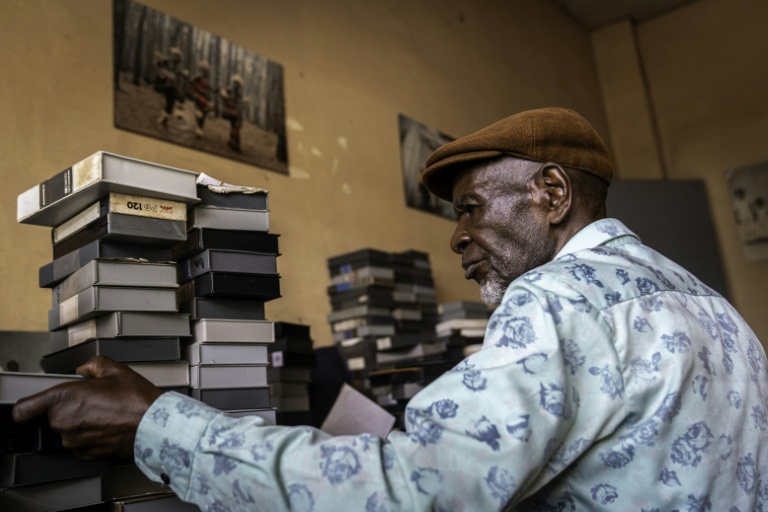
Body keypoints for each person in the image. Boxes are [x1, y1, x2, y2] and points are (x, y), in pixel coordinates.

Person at [13, 108, 768, 510]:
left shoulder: (558, 298)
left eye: (472, 208)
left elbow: (414, 491)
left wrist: (155, 424)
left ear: (552, 194)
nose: (459, 238)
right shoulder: (712, 306)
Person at [220, 74, 247, 152]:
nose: (236, 85)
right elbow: (223, 93)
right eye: (235, 83)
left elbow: (239, 103)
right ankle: (236, 145)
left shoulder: (239, 94)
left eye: (238, 84)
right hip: (231, 112)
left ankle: (231, 141)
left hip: (236, 113)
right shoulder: (230, 90)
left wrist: (243, 103)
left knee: (235, 126)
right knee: (236, 127)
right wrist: (226, 97)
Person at [189, 60, 212, 138]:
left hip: (204, 97)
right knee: (200, 111)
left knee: (204, 113)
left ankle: (199, 129)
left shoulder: (206, 80)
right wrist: (197, 88)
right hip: (197, 95)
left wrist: (208, 95)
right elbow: (191, 81)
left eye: (205, 70)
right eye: (203, 69)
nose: (204, 71)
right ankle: (199, 128)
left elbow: (208, 90)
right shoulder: (198, 77)